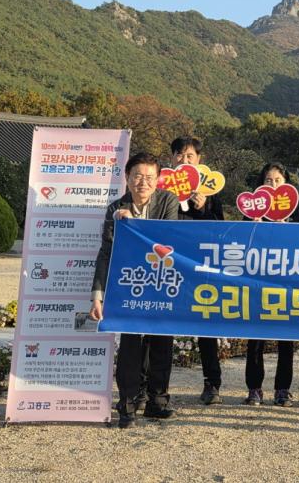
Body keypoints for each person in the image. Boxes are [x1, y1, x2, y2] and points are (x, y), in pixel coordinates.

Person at [89, 152, 179, 429]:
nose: (143, 182)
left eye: (150, 177)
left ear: (158, 179)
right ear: (127, 177)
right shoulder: (115, 208)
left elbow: (168, 237)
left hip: (162, 283)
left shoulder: (168, 201)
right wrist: (98, 295)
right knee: (130, 346)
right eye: (137, 176)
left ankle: (157, 401)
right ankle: (127, 405)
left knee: (162, 343)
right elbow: (106, 253)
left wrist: (134, 225)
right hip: (130, 285)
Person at [243, 161, 299, 407]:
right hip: (258, 278)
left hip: (287, 279)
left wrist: (286, 230)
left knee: (286, 336)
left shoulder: (296, 210)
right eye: (268, 180)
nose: (273, 185)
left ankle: (282, 389)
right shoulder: (252, 209)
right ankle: (254, 388)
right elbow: (240, 241)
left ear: (286, 183)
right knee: (255, 336)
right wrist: (255, 226)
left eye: (278, 180)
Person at [170, 136, 226, 406]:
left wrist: (203, 208)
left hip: (201, 268)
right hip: (167, 265)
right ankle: (153, 386)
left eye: (189, 155)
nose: (184, 160)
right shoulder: (162, 189)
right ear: (171, 159)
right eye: (179, 155)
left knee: (206, 326)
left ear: (199, 160)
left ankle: (212, 383)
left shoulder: (211, 192)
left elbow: (220, 231)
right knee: (160, 325)